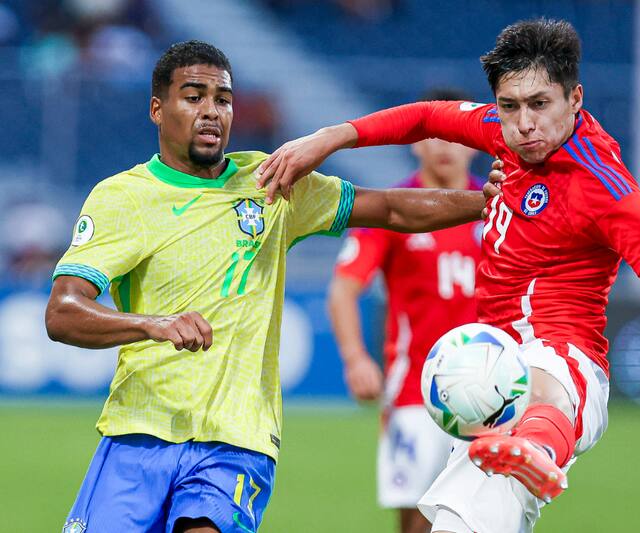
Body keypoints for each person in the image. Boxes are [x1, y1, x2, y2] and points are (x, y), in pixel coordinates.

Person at [255, 18, 640, 533]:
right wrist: (328, 138)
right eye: (510, 107)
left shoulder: (605, 186)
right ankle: (523, 449)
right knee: (452, 524)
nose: (524, 123)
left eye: (540, 104)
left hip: (567, 366)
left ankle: (536, 448)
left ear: (574, 99)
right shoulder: (503, 135)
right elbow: (423, 116)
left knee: (538, 383)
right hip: (491, 388)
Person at [45, 40, 489, 533]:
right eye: (194, 97)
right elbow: (63, 311)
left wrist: (490, 202)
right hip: (138, 431)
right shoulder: (122, 199)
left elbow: (390, 207)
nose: (211, 111)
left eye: (223, 99)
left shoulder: (270, 182)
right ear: (157, 108)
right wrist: (152, 324)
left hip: (237, 440)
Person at [328, 88, 482, 533]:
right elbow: (343, 289)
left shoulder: (498, 207)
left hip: (489, 393)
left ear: (473, 144)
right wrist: (357, 358)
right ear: (416, 143)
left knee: (485, 517)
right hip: (414, 393)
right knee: (415, 522)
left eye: (456, 137)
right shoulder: (393, 209)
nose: (446, 147)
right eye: (435, 136)